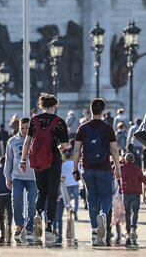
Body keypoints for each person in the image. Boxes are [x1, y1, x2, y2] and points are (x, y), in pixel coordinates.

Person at [20, 93, 69, 246]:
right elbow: (65, 146)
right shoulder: (60, 122)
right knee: (52, 194)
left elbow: (27, 142)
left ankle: (38, 214)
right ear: (55, 105)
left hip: (38, 161)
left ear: (41, 106)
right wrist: (57, 146)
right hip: (53, 161)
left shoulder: (34, 121)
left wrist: (22, 160)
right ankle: (48, 228)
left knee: (41, 192)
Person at [73, 98, 121, 247]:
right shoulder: (108, 128)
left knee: (91, 198)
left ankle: (94, 229)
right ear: (103, 111)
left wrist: (75, 168)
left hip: (87, 168)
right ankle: (102, 214)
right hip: (104, 167)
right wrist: (118, 168)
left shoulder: (82, 128)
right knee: (106, 196)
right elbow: (114, 150)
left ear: (91, 109)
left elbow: (76, 150)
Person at [4, 117, 37, 243]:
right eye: (22, 128)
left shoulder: (35, 140)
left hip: (33, 176)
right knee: (16, 199)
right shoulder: (12, 141)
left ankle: (29, 227)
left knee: (32, 203)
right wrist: (7, 177)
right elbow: (8, 160)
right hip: (17, 176)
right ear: (18, 128)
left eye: (27, 128)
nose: (24, 131)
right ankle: (19, 224)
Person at [120, 153, 146, 247]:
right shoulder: (137, 168)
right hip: (135, 193)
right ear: (133, 160)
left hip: (126, 193)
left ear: (125, 159)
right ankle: (133, 228)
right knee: (135, 212)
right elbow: (143, 180)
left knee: (127, 212)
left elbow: (115, 172)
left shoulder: (122, 168)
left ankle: (127, 230)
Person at [0, 156, 12, 245]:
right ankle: (9, 227)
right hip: (8, 194)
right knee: (10, 212)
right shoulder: (10, 169)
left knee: (0, 213)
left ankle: (2, 231)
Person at [61, 152, 80, 220]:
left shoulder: (63, 165)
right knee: (76, 199)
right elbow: (79, 174)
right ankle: (75, 213)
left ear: (65, 157)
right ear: (71, 157)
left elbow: (62, 177)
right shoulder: (75, 164)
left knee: (67, 200)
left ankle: (68, 212)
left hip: (67, 184)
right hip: (75, 183)